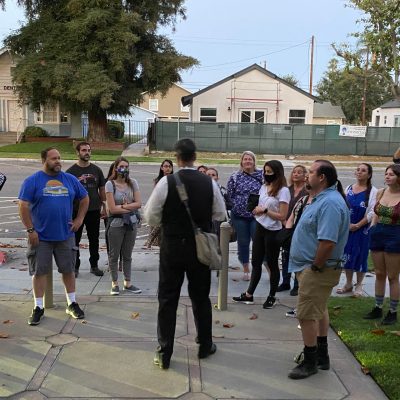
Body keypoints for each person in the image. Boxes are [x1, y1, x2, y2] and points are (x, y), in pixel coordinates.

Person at [144, 138, 225, 370]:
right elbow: (220, 213)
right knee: (200, 297)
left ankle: (164, 352)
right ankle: (205, 344)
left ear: (177, 158)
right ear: (194, 156)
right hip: (199, 248)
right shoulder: (208, 182)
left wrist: (170, 221)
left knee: (168, 299)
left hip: (172, 247)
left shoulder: (166, 182)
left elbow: (150, 216)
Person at [287, 160, 349, 380]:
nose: (306, 175)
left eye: (311, 172)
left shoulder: (330, 203)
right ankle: (322, 357)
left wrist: (314, 266)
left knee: (305, 315)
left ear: (322, 177)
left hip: (317, 269)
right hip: (310, 268)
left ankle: (310, 361)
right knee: (319, 309)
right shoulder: (320, 199)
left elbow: (327, 242)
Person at [18, 147, 89, 326]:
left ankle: (72, 303)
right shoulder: (33, 181)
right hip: (40, 237)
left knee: (68, 270)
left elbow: (85, 198)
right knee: (39, 271)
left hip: (65, 235)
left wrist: (79, 219)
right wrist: (30, 230)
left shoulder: (69, 179)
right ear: (44, 160)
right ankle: (38, 307)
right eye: (53, 159)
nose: (58, 161)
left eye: (59, 158)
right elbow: (23, 205)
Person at [232, 160, 290, 309]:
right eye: (265, 171)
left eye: (269, 172)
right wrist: (254, 208)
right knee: (256, 262)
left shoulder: (283, 191)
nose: (266, 174)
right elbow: (258, 204)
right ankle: (249, 294)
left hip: (273, 230)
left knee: (271, 263)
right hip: (260, 226)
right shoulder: (264, 187)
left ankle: (271, 296)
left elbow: (282, 216)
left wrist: (265, 211)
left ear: (277, 172)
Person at [364, 164, 400, 325]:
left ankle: (393, 311)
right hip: (378, 233)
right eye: (386, 174)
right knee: (379, 273)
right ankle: (377, 307)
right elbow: (376, 214)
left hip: (395, 234)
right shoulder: (380, 192)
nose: (387, 176)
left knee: (392, 276)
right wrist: (372, 227)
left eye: (391, 174)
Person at [336, 164, 377, 297]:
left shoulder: (372, 192)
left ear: (369, 175)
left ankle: (359, 284)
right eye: (358, 169)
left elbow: (372, 212)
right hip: (347, 229)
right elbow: (342, 207)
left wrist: (358, 225)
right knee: (346, 255)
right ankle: (348, 283)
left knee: (361, 255)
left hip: (362, 230)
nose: (359, 172)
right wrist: (346, 225)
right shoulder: (348, 189)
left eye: (363, 170)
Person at [66, 142, 106, 277]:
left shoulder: (97, 170)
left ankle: (94, 265)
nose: (87, 152)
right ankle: (75, 266)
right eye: (84, 150)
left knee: (94, 239)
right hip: (76, 211)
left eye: (89, 150)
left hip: (94, 210)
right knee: (74, 240)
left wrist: (105, 205)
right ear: (77, 153)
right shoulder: (70, 172)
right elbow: (67, 193)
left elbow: (102, 189)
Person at [105, 157, 142, 296]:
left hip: (131, 224)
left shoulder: (133, 183)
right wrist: (129, 207)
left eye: (126, 166)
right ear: (115, 168)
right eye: (121, 166)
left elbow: (138, 203)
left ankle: (128, 282)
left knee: (127, 255)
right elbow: (112, 210)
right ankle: (115, 283)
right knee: (114, 255)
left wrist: (123, 206)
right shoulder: (110, 184)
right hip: (116, 224)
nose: (124, 169)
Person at [227, 151, 263, 280]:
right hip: (239, 216)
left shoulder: (261, 175)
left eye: (250, 159)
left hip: (256, 216)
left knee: (258, 241)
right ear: (241, 161)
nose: (248, 161)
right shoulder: (235, 176)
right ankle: (246, 268)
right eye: (245, 159)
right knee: (243, 242)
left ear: (254, 161)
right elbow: (230, 194)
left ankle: (261, 266)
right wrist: (237, 205)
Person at [277, 165, 307, 296]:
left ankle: (297, 284)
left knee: (297, 256)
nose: (296, 174)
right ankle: (285, 281)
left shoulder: (307, 191)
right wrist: (284, 222)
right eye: (294, 172)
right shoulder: (287, 190)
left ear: (305, 175)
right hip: (286, 226)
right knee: (285, 255)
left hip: (300, 227)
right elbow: (281, 206)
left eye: (299, 172)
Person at [142, 159, 174, 250]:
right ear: (161, 168)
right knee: (158, 224)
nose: (167, 168)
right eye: (165, 166)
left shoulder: (174, 180)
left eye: (169, 166)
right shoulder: (158, 180)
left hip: (170, 207)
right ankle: (150, 241)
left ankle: (150, 241)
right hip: (160, 206)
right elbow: (156, 195)